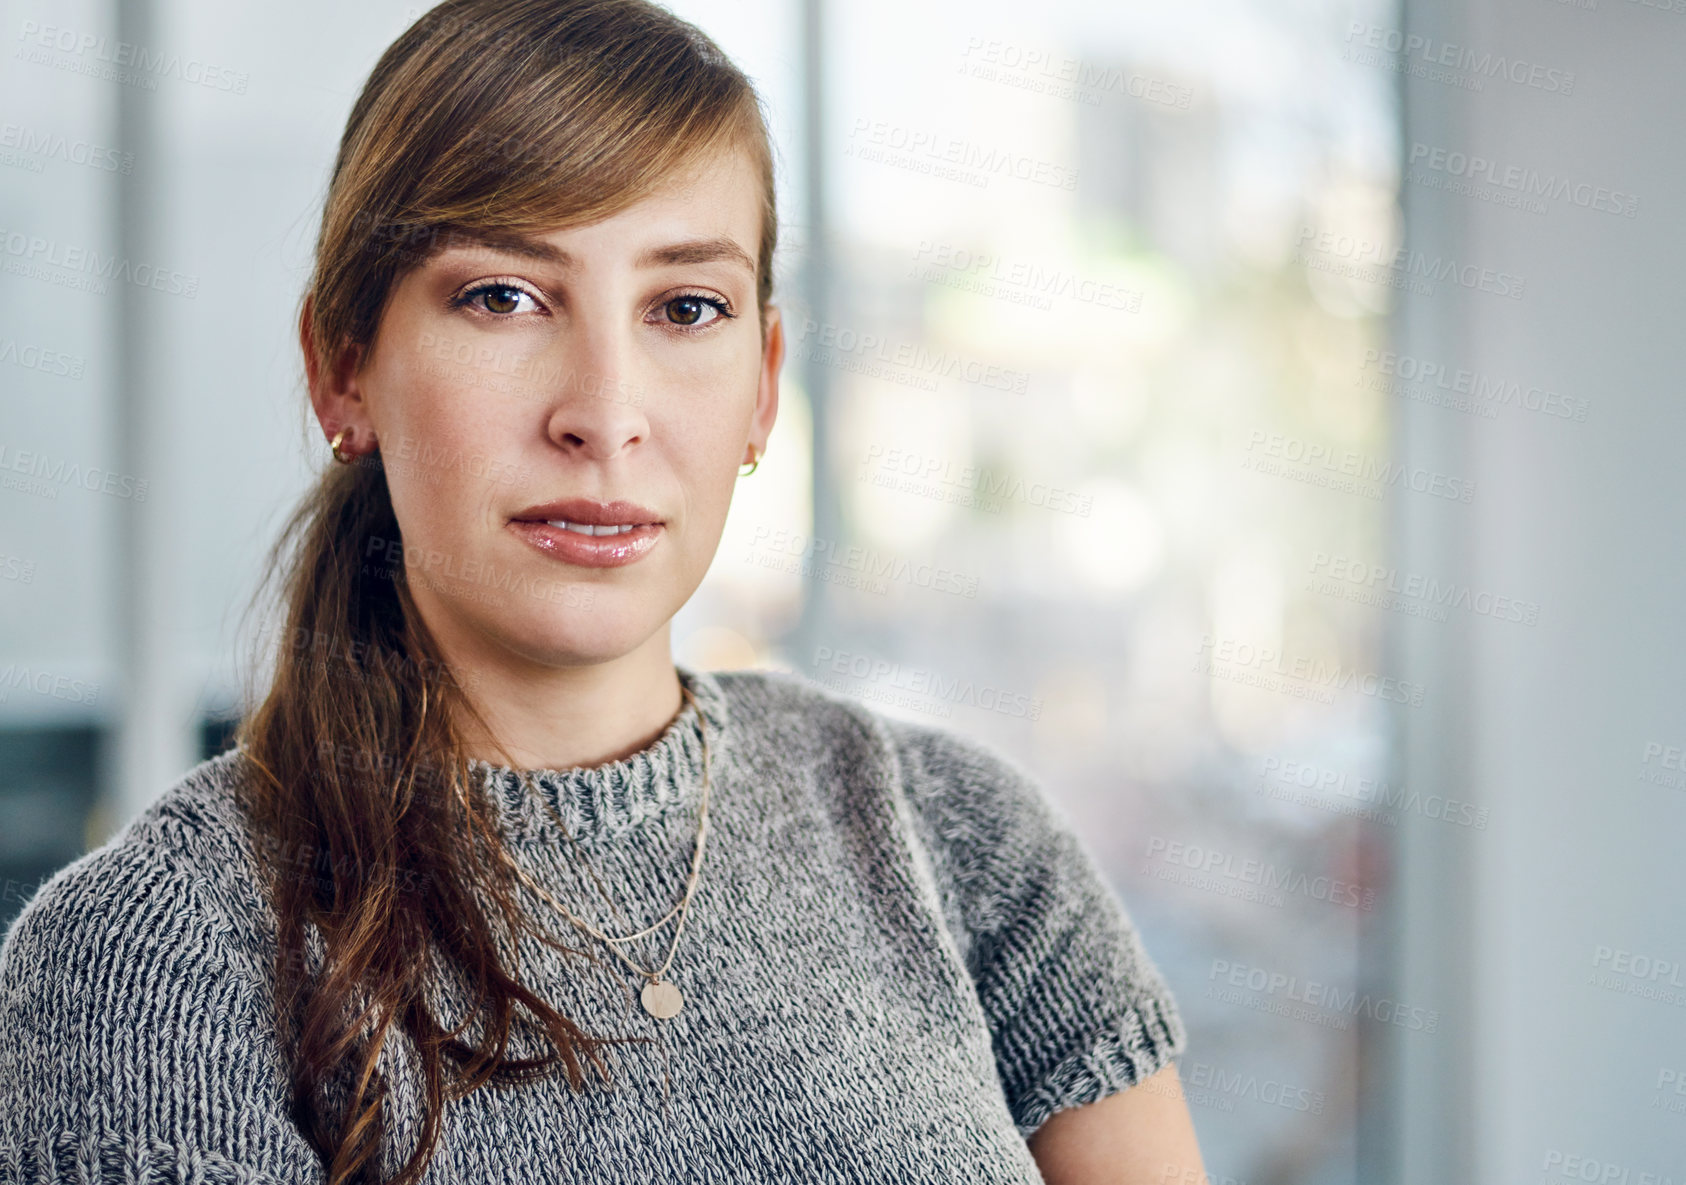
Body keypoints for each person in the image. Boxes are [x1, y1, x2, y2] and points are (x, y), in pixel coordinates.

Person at [0, 1, 1207, 1182]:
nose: (606, 414)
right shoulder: (149, 954)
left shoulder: (965, 839)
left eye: (687, 308)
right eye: (504, 298)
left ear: (764, 385)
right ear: (342, 369)